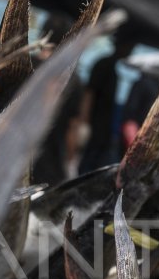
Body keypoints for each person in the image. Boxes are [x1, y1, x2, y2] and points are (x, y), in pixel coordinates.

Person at [31, 13, 86, 185]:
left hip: (5, 156)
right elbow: (72, 127)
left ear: (43, 34)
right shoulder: (72, 78)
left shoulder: (23, 64)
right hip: (48, 164)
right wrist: (70, 163)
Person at [79, 21, 139, 173]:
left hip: (103, 130)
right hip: (95, 127)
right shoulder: (104, 65)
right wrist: (84, 123)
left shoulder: (113, 68)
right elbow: (89, 94)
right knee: (87, 167)